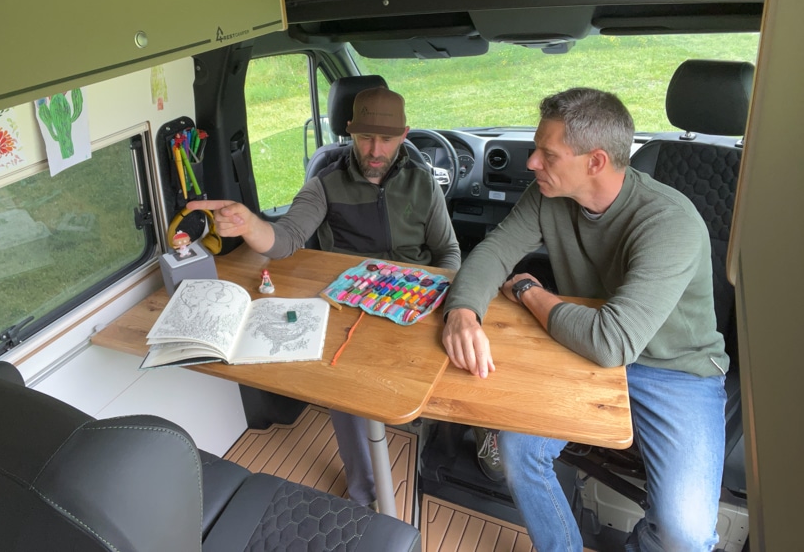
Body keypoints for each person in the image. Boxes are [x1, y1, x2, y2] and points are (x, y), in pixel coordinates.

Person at [442, 88, 728, 552]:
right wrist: (462, 311)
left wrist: (531, 293)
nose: (532, 162)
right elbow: (494, 252)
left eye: (547, 154)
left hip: (676, 368)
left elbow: (612, 342)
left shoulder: (669, 221)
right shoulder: (548, 196)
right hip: (583, 348)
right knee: (517, 450)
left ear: (596, 161)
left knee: (686, 535)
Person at [188, 86, 461, 509]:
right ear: (349, 131)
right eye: (365, 138)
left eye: (386, 139)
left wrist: (444, 299)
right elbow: (285, 238)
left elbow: (448, 252)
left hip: (414, 300)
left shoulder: (423, 183)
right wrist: (249, 225)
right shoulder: (325, 183)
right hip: (349, 302)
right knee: (340, 389)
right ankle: (364, 494)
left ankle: (439, 457)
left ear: (404, 135)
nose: (375, 150)